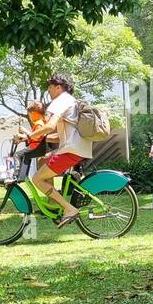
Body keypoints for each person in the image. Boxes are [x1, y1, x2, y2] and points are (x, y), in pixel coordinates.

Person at [28, 74, 94, 227]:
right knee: (43, 159)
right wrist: (41, 138)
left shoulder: (60, 101)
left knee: (37, 179)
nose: (48, 90)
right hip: (77, 147)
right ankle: (55, 202)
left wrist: (29, 135)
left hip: (71, 150)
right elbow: (59, 136)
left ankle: (69, 209)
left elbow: (50, 126)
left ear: (58, 87)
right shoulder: (70, 101)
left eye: (50, 87)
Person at [12, 100, 55, 180]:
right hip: (35, 146)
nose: (30, 117)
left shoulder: (39, 123)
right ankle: (22, 175)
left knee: (17, 155)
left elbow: (36, 137)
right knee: (25, 156)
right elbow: (33, 137)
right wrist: (21, 138)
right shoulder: (41, 122)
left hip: (35, 147)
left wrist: (24, 131)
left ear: (33, 114)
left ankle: (16, 175)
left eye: (29, 115)